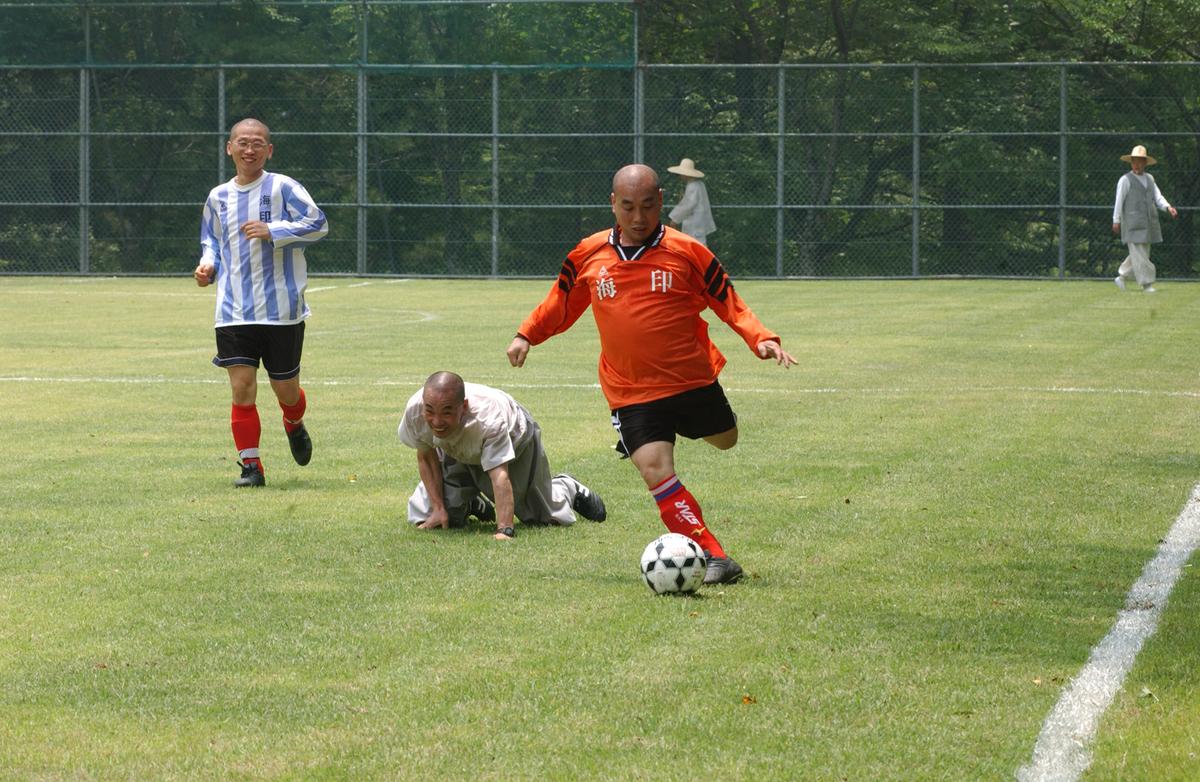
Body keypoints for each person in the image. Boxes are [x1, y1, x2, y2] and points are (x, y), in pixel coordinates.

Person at [506, 164, 797, 584]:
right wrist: (526, 335)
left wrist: (761, 339)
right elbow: (560, 301)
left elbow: (727, 299)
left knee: (726, 439)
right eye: (628, 207)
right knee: (655, 470)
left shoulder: (688, 252)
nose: (638, 217)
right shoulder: (588, 254)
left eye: (647, 206)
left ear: (661, 201)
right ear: (613, 204)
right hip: (631, 391)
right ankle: (715, 557)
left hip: (691, 381)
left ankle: (685, 428)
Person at [193, 118, 329, 487]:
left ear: (268, 150)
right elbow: (213, 242)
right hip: (233, 311)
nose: (248, 149)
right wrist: (208, 267)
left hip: (281, 310)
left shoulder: (283, 187)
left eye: (257, 143)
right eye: (242, 142)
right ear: (229, 147)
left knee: (286, 391)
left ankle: (293, 421)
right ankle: (251, 467)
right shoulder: (217, 197)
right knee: (241, 388)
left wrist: (275, 230)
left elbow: (318, 224)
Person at [397, 371, 608, 541]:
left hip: (515, 441)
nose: (436, 421)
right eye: (430, 410)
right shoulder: (415, 412)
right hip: (455, 446)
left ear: (464, 407)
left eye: (446, 412)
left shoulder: (488, 420)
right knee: (429, 516)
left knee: (540, 517)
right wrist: (439, 508)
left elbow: (499, 475)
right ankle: (469, 503)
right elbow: (426, 456)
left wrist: (504, 529)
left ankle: (566, 486)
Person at [1112, 144, 1178, 294]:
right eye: (1134, 161)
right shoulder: (1125, 180)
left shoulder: (1150, 179)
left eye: (1140, 161)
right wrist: (1116, 220)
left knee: (1141, 254)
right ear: (1131, 162)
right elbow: (1119, 201)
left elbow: (1158, 196)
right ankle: (1147, 284)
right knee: (1140, 255)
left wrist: (1168, 207)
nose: (1136, 164)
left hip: (1149, 223)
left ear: (1145, 163)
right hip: (1132, 223)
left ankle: (1121, 276)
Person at [666, 157, 717, 246]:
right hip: (698, 224)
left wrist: (675, 219)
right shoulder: (699, 185)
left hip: (695, 226)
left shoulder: (693, 187)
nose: (680, 175)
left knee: (696, 248)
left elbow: (687, 205)